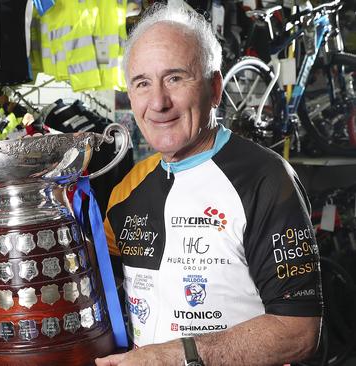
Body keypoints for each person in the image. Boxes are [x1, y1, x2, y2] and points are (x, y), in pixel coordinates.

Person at [98, 4, 322, 366]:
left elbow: (298, 332)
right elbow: (95, 284)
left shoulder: (265, 179)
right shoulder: (129, 187)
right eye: (142, 83)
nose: (158, 102)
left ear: (215, 88)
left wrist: (174, 357)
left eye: (175, 78)